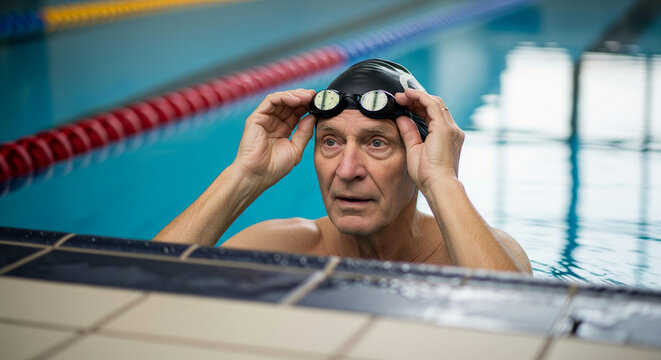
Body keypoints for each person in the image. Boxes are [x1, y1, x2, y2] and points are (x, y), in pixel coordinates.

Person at [154, 59, 532, 274]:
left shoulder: (482, 254)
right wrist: (244, 175)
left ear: (419, 156)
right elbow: (140, 281)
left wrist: (442, 182)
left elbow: (525, 332)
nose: (347, 170)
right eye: (331, 142)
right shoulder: (281, 249)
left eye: (376, 143)